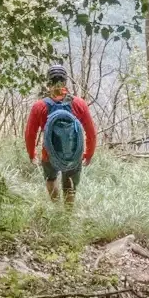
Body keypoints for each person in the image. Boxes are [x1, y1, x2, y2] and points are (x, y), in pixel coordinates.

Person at [24, 64, 97, 205]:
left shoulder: (39, 106)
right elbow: (91, 132)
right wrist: (89, 154)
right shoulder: (79, 103)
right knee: (69, 185)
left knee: (51, 180)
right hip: (74, 154)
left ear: (48, 82)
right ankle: (68, 214)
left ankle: (57, 210)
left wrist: (32, 154)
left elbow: (30, 134)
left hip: (49, 154)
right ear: (65, 82)